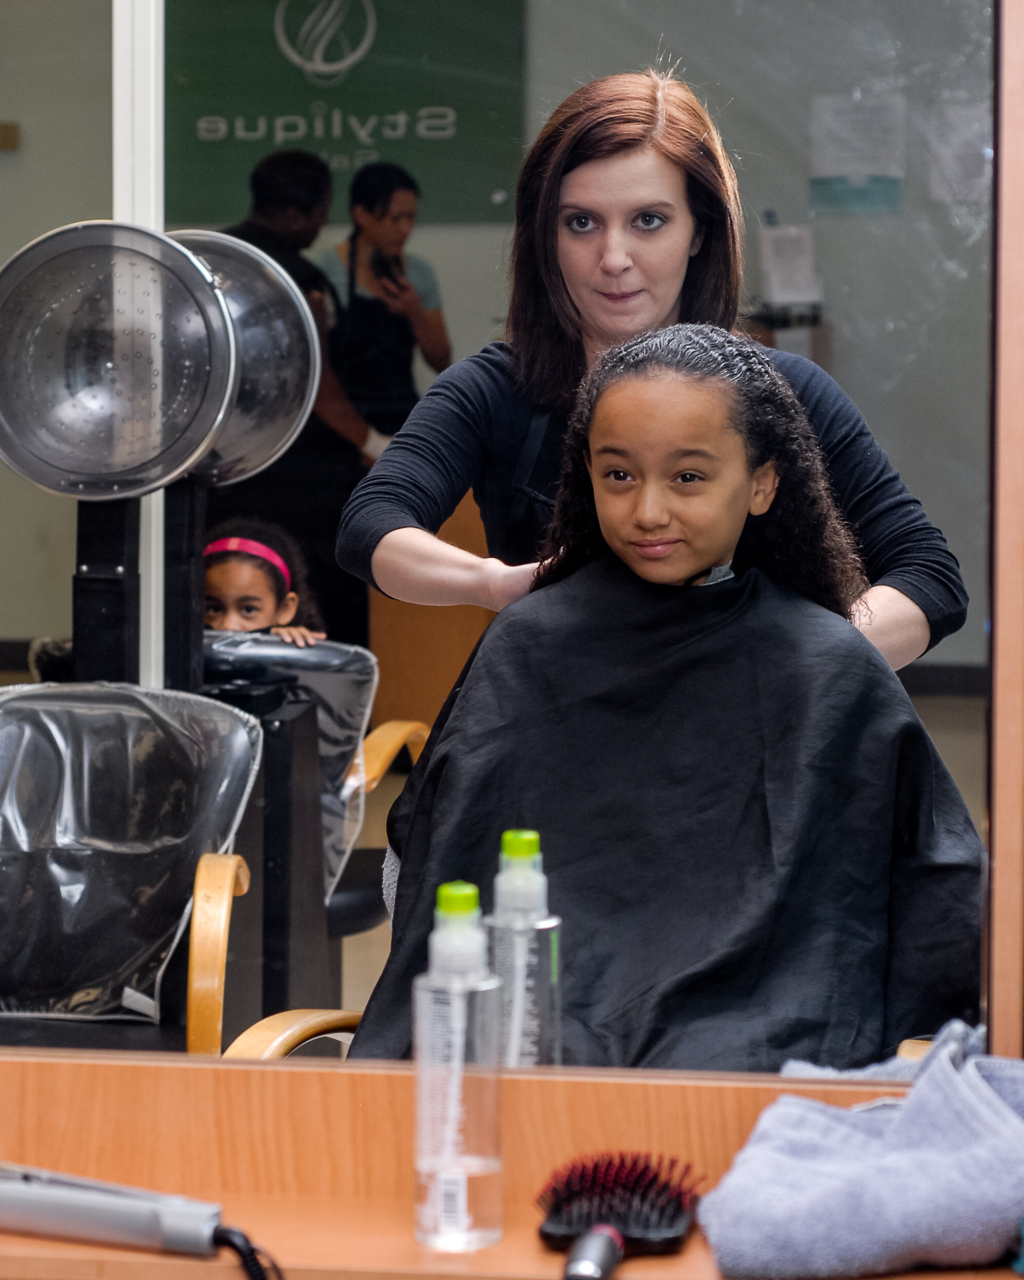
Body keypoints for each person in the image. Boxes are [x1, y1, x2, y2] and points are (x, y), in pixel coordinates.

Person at [348, 324, 982, 1072]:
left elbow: (931, 896)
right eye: (618, 476)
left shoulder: (831, 663)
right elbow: (444, 860)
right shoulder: (531, 644)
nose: (648, 511)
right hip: (540, 1046)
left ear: (763, 482)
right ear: (585, 474)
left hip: (762, 1052)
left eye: (687, 478)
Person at [336, 70, 967, 672]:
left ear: (699, 231)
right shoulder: (495, 389)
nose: (614, 258)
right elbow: (370, 528)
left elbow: (927, 575)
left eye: (649, 221)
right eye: (581, 222)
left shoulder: (789, 392)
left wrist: (802, 664)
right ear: (546, 235)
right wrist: (501, 584)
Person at [210, 150, 376, 646]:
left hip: (221, 468)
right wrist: (374, 443)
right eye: (321, 214)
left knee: (221, 593)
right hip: (303, 476)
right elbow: (320, 388)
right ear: (296, 214)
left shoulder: (214, 262)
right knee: (317, 600)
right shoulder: (297, 279)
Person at [310, 162, 451, 438]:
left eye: (410, 218)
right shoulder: (323, 270)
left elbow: (441, 360)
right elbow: (314, 366)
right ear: (361, 214)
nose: (405, 229)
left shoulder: (419, 273)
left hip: (400, 418)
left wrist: (414, 312)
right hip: (341, 425)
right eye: (395, 218)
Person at [203, 518, 326, 647]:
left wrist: (287, 645)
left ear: (284, 608)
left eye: (248, 609)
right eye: (213, 609)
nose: (228, 626)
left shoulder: (292, 661)